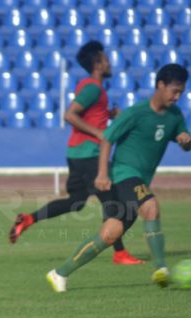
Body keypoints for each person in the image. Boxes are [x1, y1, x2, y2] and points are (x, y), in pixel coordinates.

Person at [46, 64, 191, 293]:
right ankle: (162, 269)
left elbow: (185, 142)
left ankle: (59, 273)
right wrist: (103, 173)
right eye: (174, 90)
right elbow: (107, 139)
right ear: (160, 85)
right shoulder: (136, 112)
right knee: (151, 206)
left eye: (181, 92)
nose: (177, 96)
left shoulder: (175, 116)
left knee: (110, 233)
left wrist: (186, 140)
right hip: (124, 174)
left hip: (140, 179)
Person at [9, 41, 143, 265]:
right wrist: (100, 134)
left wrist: (109, 114)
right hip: (89, 154)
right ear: (98, 64)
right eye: (106, 59)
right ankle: (119, 253)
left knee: (77, 201)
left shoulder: (93, 88)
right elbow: (70, 115)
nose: (110, 62)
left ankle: (29, 218)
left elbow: (87, 115)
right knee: (114, 201)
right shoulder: (92, 88)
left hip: (76, 153)